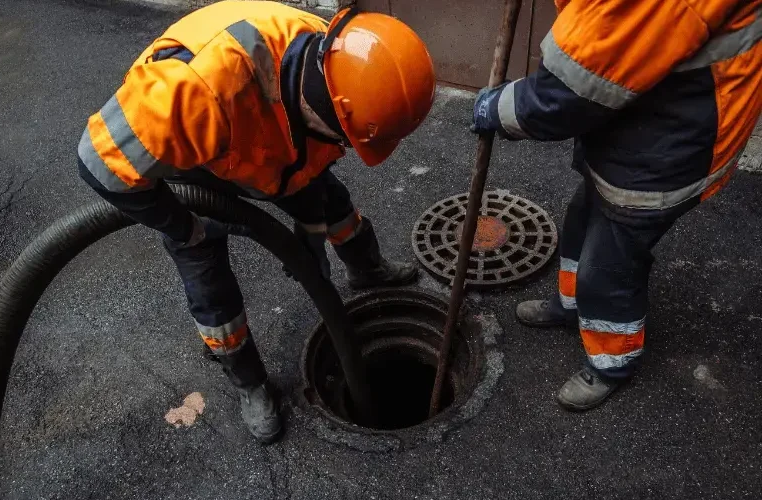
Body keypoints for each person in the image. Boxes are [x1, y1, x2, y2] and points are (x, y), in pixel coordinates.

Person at [77, 1, 435, 443]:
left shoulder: (340, 65)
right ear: (327, 109)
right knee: (207, 275)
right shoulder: (191, 91)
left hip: (272, 142)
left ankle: (367, 269)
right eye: (348, 137)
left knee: (330, 201)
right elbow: (96, 163)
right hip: (202, 158)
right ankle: (250, 383)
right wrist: (182, 224)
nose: (349, 146)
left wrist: (311, 237)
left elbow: (312, 168)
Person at [472, 0, 762, 411]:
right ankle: (569, 306)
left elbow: (569, 92)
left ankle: (611, 360)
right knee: (581, 219)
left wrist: (501, 109)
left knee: (607, 268)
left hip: (670, 147)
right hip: (641, 115)